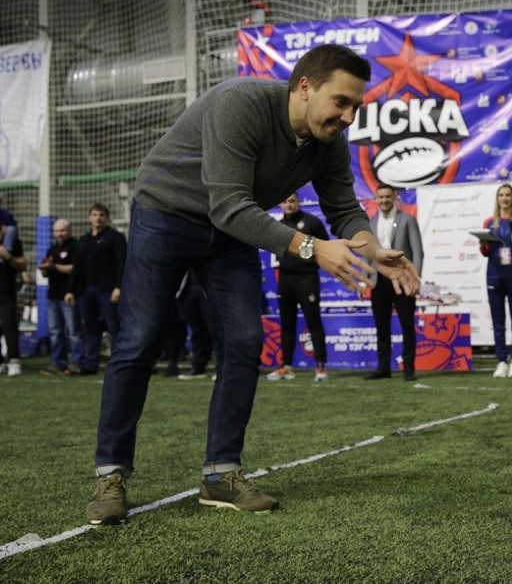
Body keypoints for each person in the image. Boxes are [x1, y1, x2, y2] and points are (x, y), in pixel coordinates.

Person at [85, 44, 419, 526]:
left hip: (229, 230)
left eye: (355, 106)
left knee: (244, 341)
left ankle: (220, 473)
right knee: (139, 340)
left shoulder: (329, 140)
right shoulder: (239, 103)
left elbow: (344, 210)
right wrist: (313, 249)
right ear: (305, 87)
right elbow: (229, 206)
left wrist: (374, 250)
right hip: (166, 213)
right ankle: (111, 474)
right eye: (341, 102)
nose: (348, 116)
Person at [267, 193, 331, 382]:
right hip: (285, 279)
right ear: (280, 204)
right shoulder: (277, 225)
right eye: (285, 201)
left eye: (292, 201)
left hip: (307, 278)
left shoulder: (311, 222)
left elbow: (325, 247)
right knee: (287, 323)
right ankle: (286, 366)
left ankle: (321, 366)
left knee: (313, 322)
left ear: (299, 202)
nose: (289, 205)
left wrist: (313, 260)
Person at [364, 184, 424, 381]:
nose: (384, 200)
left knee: (407, 324)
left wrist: (414, 277)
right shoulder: (371, 223)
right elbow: (367, 253)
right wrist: (365, 279)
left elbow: (417, 251)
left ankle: (409, 368)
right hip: (379, 280)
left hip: (403, 280)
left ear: (395, 198)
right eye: (380, 197)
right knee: (381, 326)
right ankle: (383, 367)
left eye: (387, 197)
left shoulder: (408, 220)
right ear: (376, 199)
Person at [65, 204, 127, 376]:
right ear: (89, 217)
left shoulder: (116, 237)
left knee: (114, 326)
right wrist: (70, 290)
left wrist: (119, 287)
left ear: (106, 218)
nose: (97, 218)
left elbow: (122, 264)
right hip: (86, 291)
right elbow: (77, 268)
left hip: (108, 290)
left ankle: (118, 362)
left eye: (101, 215)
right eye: (94, 214)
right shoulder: (83, 240)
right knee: (90, 327)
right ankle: (91, 363)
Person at [479, 184, 512, 378]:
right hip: (494, 275)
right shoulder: (489, 223)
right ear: (497, 198)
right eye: (501, 195)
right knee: (498, 321)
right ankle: (501, 361)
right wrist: (483, 244)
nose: (504, 198)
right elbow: (485, 252)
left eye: (508, 195)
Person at [38, 218, 85, 375]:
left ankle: (78, 362)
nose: (60, 234)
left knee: (74, 331)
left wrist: (54, 266)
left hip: (70, 294)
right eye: (57, 231)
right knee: (55, 331)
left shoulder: (76, 247)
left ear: (70, 230)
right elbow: (46, 273)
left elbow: (75, 269)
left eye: (62, 230)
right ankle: (58, 362)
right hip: (53, 295)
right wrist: (44, 268)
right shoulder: (52, 249)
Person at [0, 216, 26, 376]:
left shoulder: (12, 241)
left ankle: (14, 360)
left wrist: (7, 256)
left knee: (9, 325)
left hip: (6, 290)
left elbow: (22, 265)